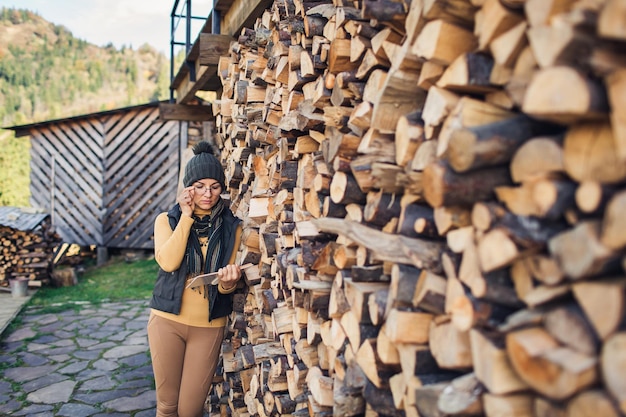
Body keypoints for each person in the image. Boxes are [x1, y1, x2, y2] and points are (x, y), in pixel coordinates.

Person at [147, 141, 243, 417]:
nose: (208, 194)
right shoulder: (167, 220)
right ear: (189, 187)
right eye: (200, 186)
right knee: (167, 407)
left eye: (214, 186)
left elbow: (225, 287)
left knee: (190, 411)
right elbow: (169, 262)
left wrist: (228, 281)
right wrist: (187, 217)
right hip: (167, 321)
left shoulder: (232, 227)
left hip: (208, 325)